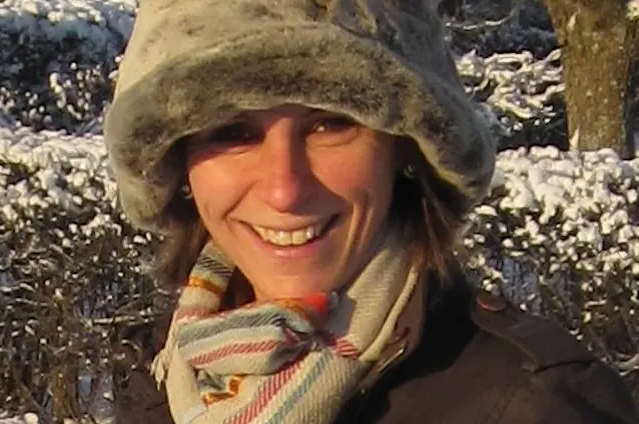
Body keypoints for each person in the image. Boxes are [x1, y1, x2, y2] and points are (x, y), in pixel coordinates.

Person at [102, 0, 639, 423]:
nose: (285, 190)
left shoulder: (537, 405)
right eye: (233, 133)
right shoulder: (165, 379)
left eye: (330, 124)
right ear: (180, 167)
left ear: (405, 147)